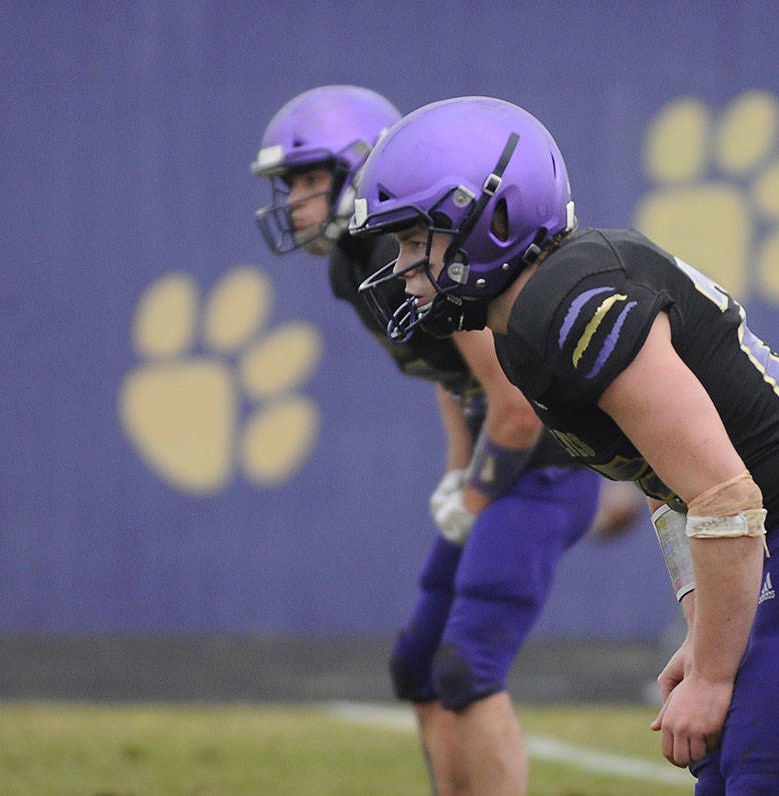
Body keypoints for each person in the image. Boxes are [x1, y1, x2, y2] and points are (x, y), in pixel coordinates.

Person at [348, 95, 779, 795]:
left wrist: (715, 673)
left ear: (493, 220)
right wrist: (705, 628)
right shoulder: (527, 323)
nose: (405, 266)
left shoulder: (572, 300)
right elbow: (668, 489)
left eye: (419, 241)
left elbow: (724, 492)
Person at [252, 85, 606, 796]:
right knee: (417, 665)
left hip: (541, 469)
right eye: (289, 184)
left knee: (467, 664)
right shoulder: (352, 265)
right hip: (496, 466)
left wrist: (470, 494)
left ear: (356, 168)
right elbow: (450, 375)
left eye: (308, 178)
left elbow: (514, 409)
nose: (292, 199)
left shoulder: (406, 245)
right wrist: (457, 471)